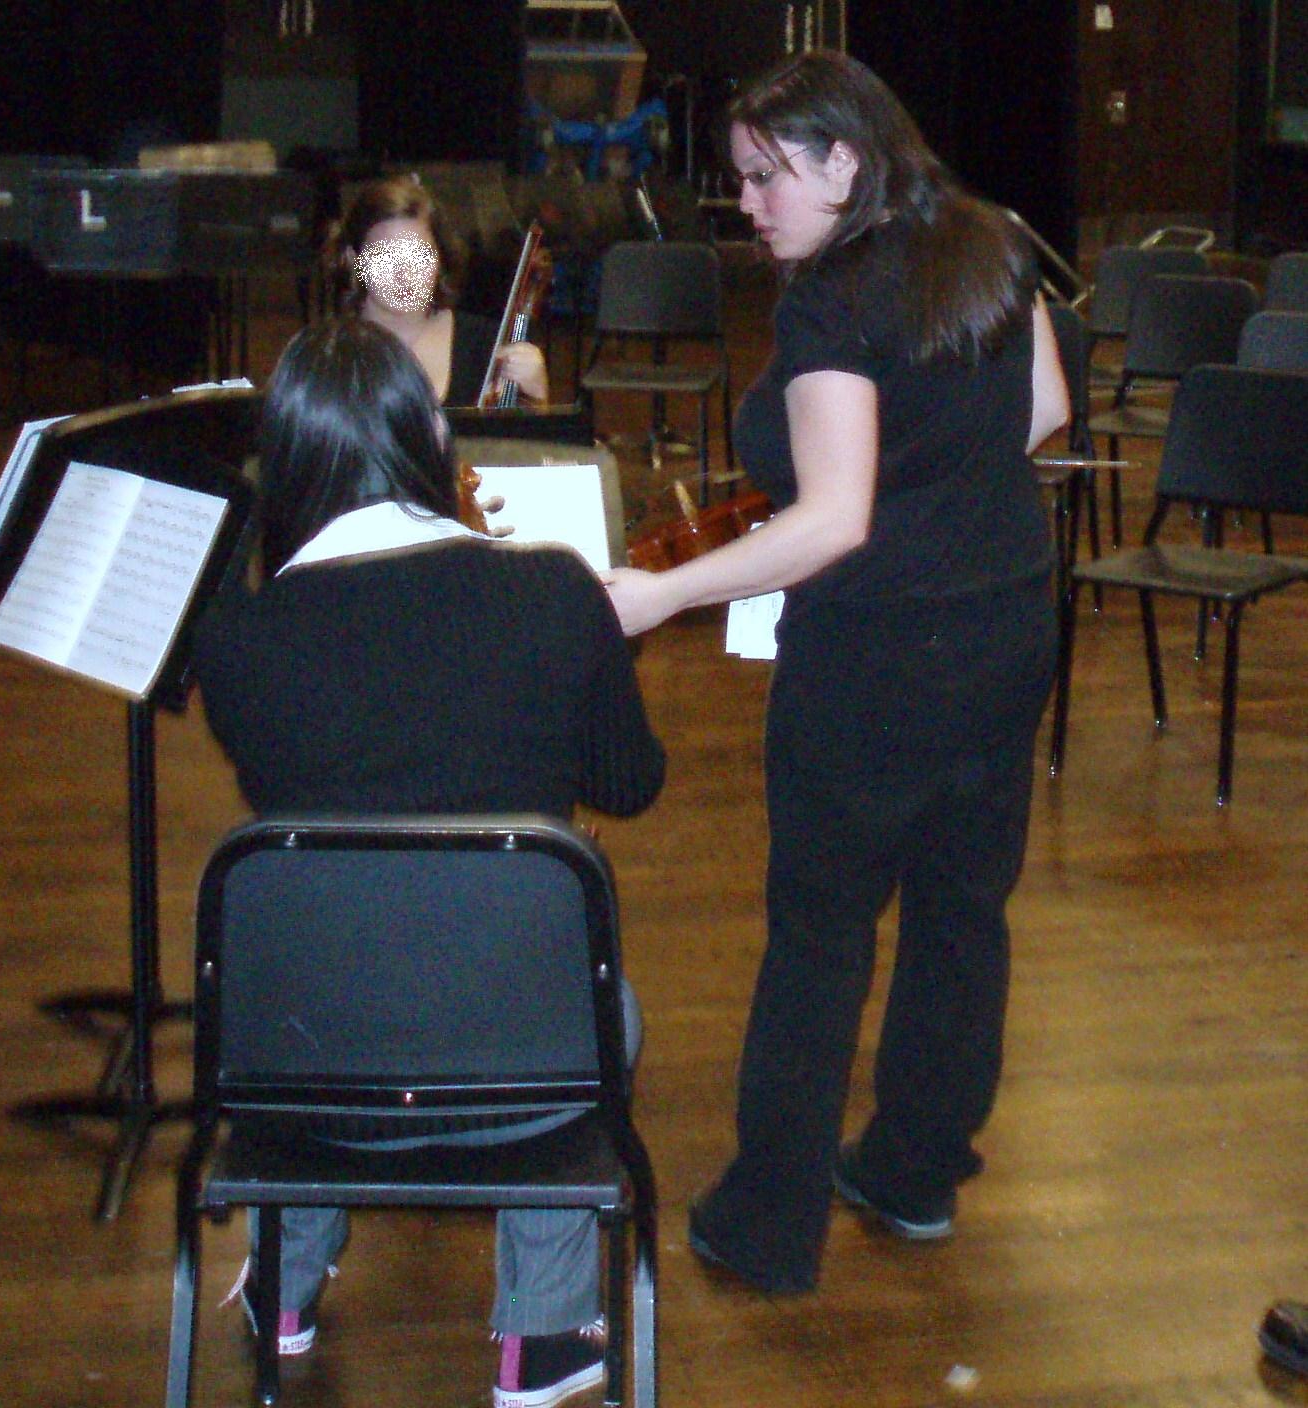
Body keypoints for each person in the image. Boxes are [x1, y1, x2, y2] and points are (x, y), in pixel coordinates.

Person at [604, 50, 1071, 1294]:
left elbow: (830, 522)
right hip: (1005, 625)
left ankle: (767, 1224)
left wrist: (661, 592)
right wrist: (923, 469)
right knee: (960, 915)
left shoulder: (828, 301)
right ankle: (913, 1172)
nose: (747, 203)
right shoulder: (990, 238)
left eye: (767, 176)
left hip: (875, 658)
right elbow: (1039, 412)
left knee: (819, 933)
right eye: (740, 177)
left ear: (845, 161)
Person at [193, 318, 665, 1408]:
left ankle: (283, 1289)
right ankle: (543, 1335)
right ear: (434, 441)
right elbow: (629, 782)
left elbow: (301, 800)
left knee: (325, 948)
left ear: (281, 467)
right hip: (528, 1071)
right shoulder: (553, 592)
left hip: (303, 1073)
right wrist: (587, 666)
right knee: (596, 998)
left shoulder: (236, 641)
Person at [325, 175, 550, 407]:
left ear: (440, 258)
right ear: (354, 260)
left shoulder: (489, 346)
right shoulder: (328, 355)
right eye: (385, 256)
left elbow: (523, 430)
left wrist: (537, 395)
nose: (404, 272)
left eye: (419, 255)